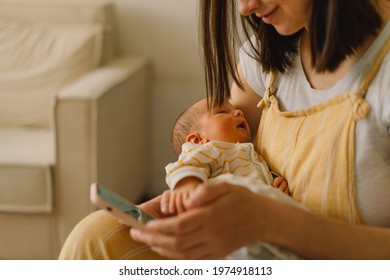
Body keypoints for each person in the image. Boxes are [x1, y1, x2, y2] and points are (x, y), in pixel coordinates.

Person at [59, 0, 390, 260]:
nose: (245, 7)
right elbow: (218, 146)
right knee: (97, 235)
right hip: (255, 253)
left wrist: (277, 221)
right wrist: (186, 201)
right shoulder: (268, 51)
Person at [164, 97, 290, 215]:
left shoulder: (254, 154)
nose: (239, 112)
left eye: (235, 110)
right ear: (197, 140)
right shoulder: (209, 150)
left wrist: (276, 184)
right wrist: (187, 185)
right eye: (223, 112)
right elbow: (186, 166)